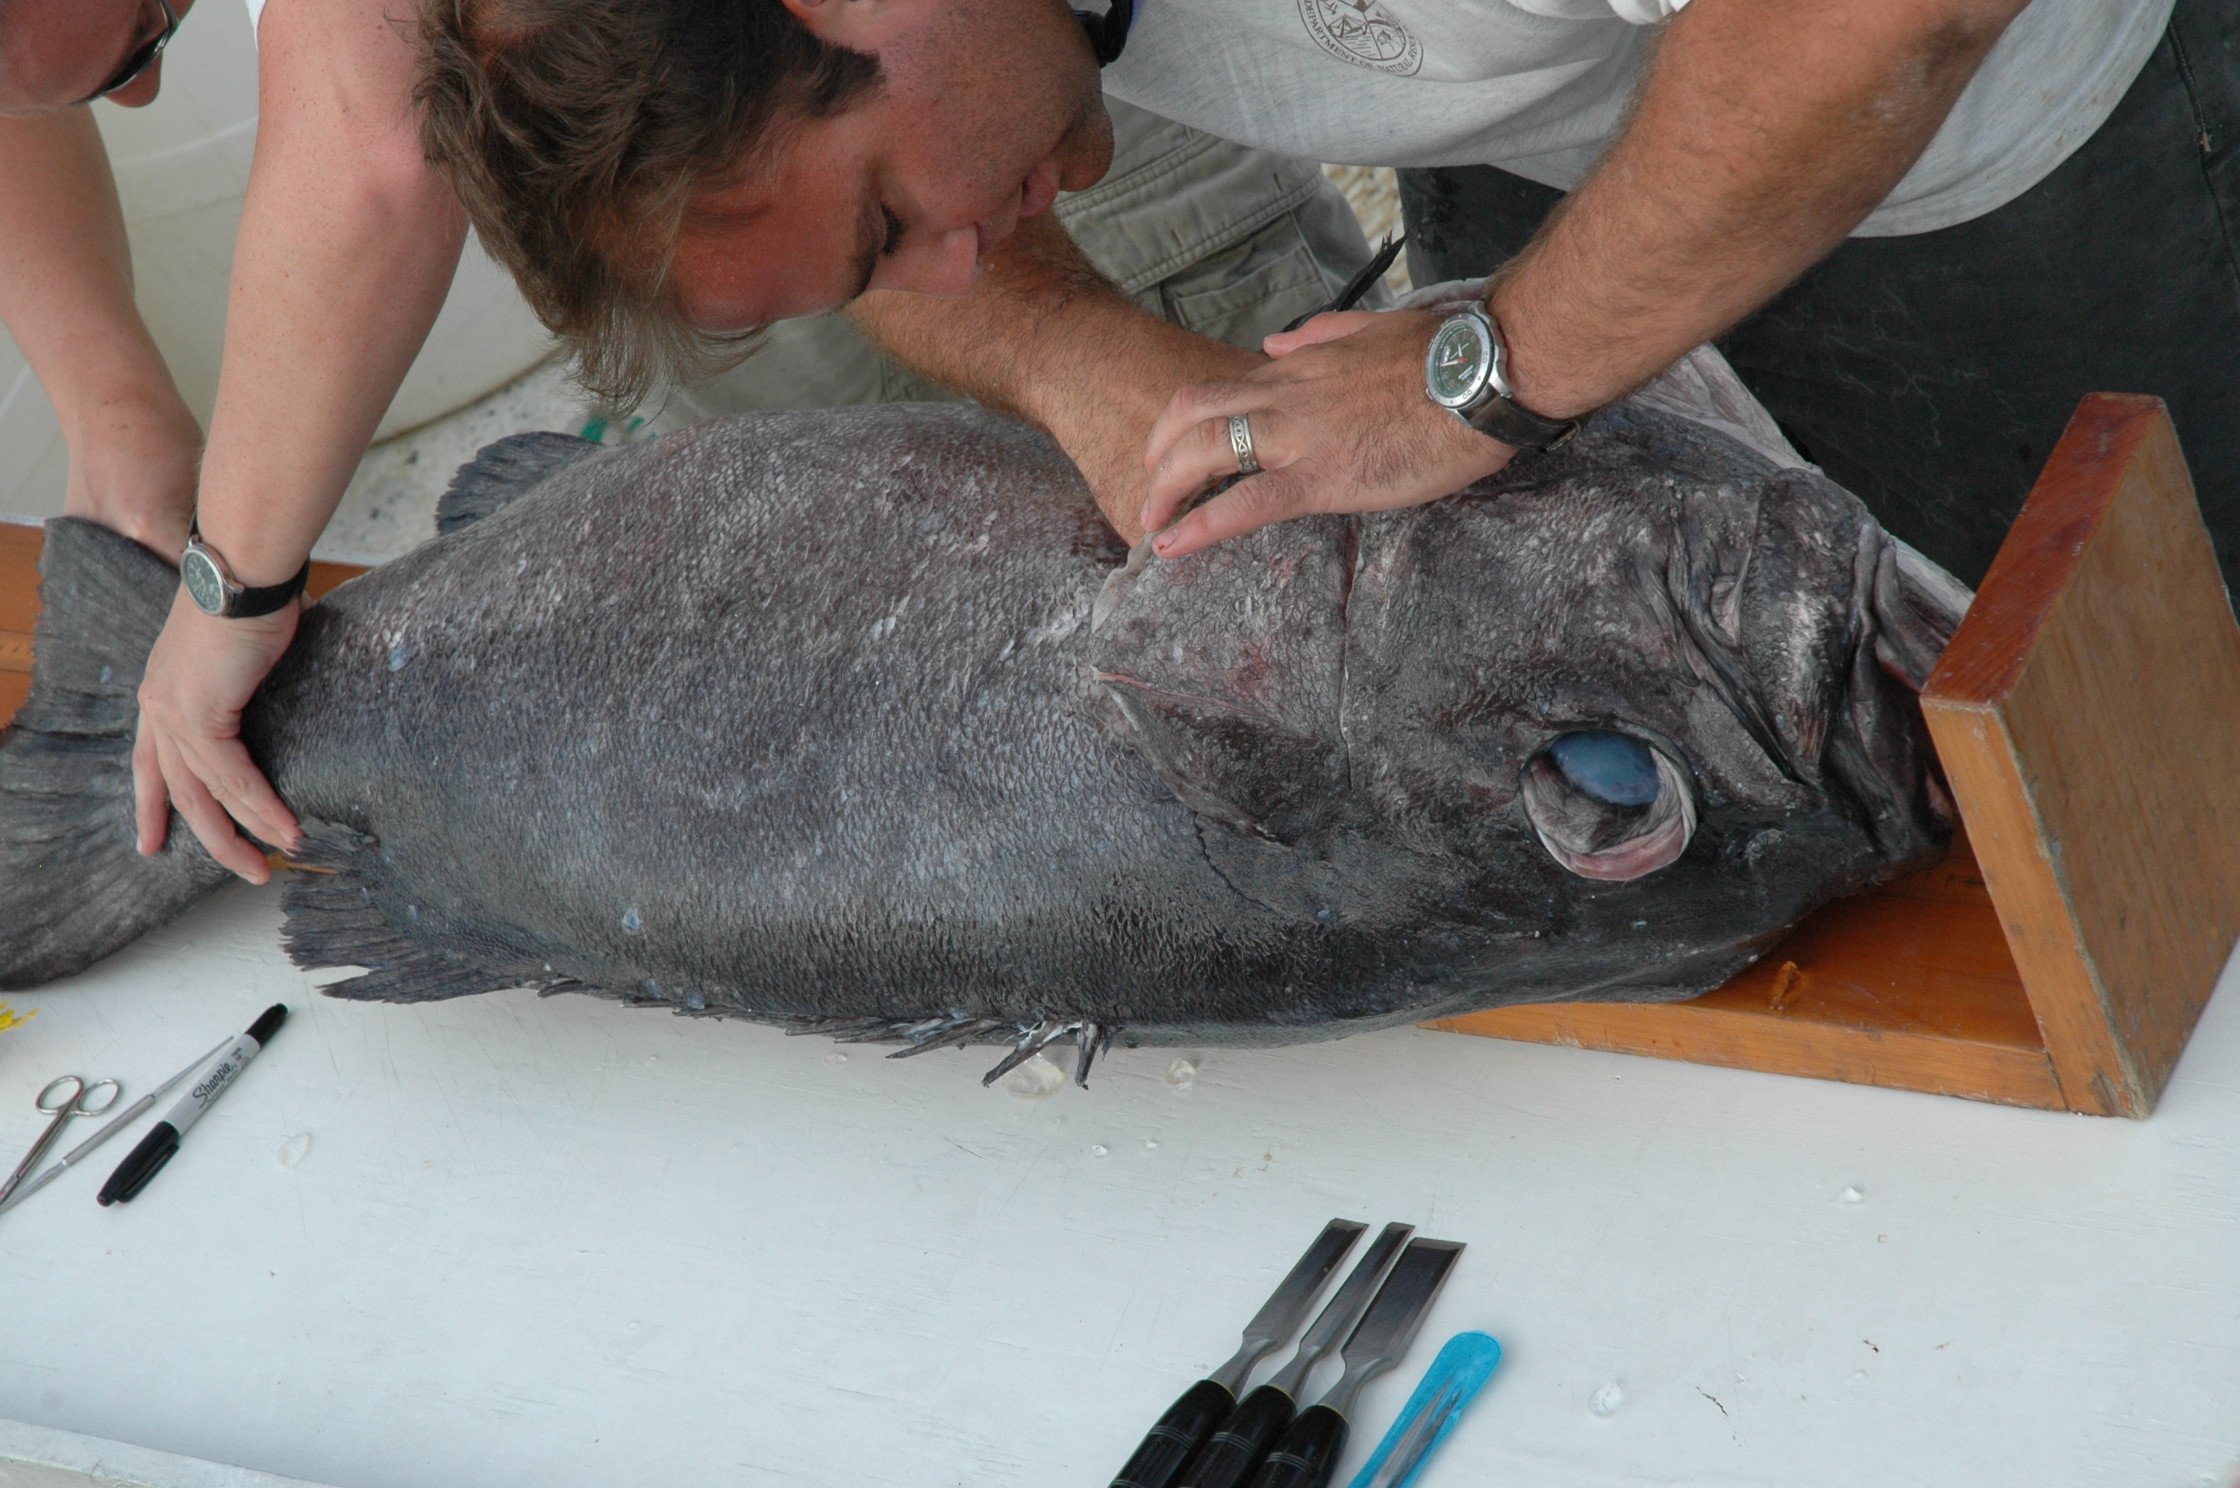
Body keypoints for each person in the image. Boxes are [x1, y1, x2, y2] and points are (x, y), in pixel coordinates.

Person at [0, 0, 1387, 882]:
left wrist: (228, 586)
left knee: (1347, 652)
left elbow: (373, 150)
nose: (135, 106)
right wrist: (119, 422)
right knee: (850, 692)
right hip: (725, 157)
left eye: (153, 45)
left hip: (954, 69)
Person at [416, 0, 2237, 606]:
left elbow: (1873, 20)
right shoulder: (912, 60)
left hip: (2018, 130)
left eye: (895, 212)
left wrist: (1470, 379)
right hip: (1535, 124)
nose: (945, 269)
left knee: (2137, 713)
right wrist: (1087, 364)